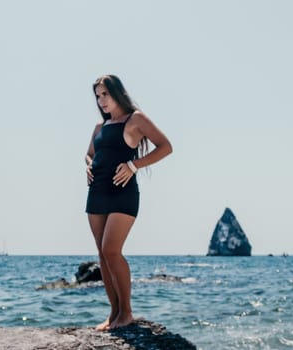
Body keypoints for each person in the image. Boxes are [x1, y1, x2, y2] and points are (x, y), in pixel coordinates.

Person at [85, 74, 173, 330]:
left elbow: (165, 146)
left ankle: (127, 312)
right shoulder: (100, 128)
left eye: (105, 94)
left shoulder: (136, 119)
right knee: (102, 254)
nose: (101, 101)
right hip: (96, 191)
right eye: (98, 96)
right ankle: (113, 314)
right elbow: (89, 154)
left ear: (117, 93)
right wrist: (88, 166)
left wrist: (134, 165)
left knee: (112, 250)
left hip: (123, 192)